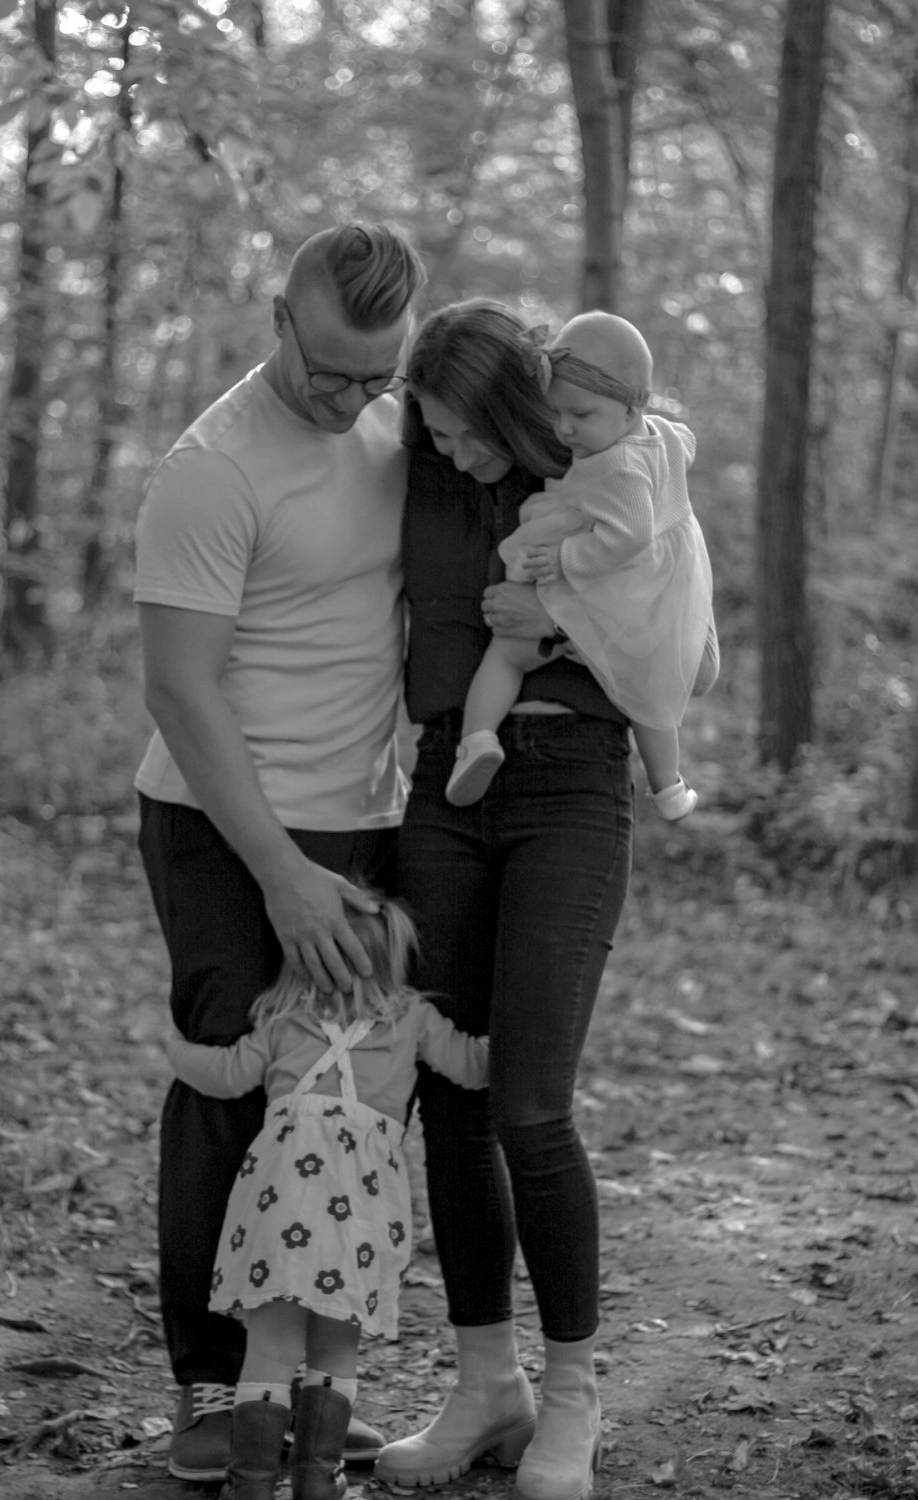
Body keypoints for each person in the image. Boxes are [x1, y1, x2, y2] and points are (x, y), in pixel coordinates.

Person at [133, 222, 426, 1483]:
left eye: (376, 376)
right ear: (278, 320)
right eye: (329, 373)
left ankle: (305, 1381)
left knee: (343, 1095)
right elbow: (180, 689)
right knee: (231, 1092)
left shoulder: (396, 429)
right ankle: (212, 1391)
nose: (351, 399)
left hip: (365, 817)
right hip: (222, 824)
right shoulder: (210, 470)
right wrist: (280, 874)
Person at [373, 300, 635, 1500]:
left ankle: (572, 1395)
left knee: (530, 1102)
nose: (453, 450)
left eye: (467, 429)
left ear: (518, 409)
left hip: (572, 783)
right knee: (451, 1099)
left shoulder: (606, 472)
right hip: (445, 782)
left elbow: (687, 643)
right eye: (434, 430)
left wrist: (563, 618)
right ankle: (486, 1387)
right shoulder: (412, 471)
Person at [164, 891, 488, 1500]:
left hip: (278, 1205)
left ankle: (251, 1482)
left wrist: (176, 1049)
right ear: (394, 959)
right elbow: (471, 1065)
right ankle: (319, 1477)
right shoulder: (413, 1018)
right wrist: (526, 1040)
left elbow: (226, 1075)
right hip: (362, 1213)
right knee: (337, 1343)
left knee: (271, 1342)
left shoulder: (284, 1020)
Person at [444, 310, 718, 819]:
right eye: (557, 413)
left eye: (581, 415)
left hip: (606, 570)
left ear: (631, 406)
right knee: (654, 688)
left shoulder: (616, 465)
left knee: (508, 650)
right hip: (673, 575)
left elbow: (630, 535)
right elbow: (686, 445)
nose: (564, 428)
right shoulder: (660, 433)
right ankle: (669, 788)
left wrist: (566, 558)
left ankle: (476, 738)